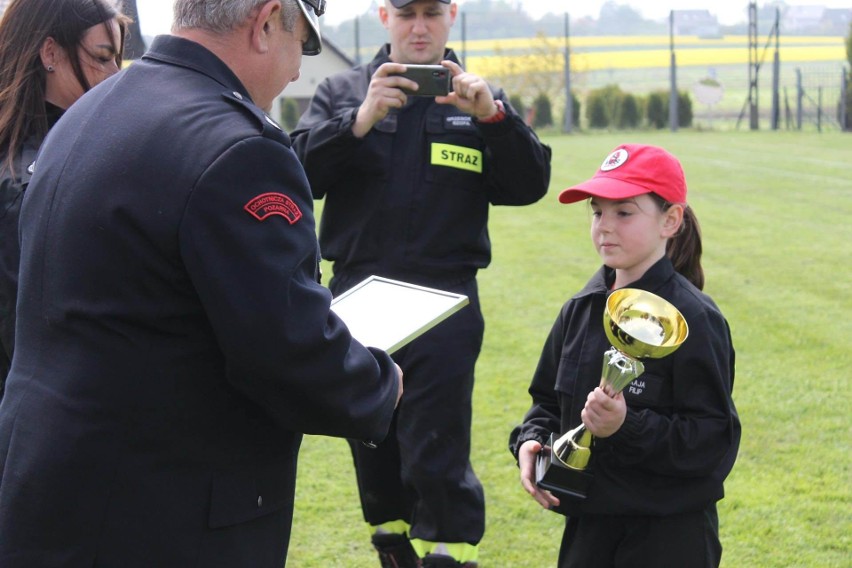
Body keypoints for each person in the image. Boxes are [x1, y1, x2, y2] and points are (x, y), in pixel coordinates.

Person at [0, 1, 404, 566]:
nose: (297, 69)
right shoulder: (239, 147)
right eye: (304, 44)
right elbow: (286, 351)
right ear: (265, 23)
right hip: (162, 514)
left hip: (49, 488)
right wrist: (380, 384)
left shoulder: (92, 110)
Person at [291, 1, 551, 566]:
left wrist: (492, 119)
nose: (419, 26)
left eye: (431, 12)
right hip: (359, 298)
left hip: (445, 300)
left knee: (438, 447)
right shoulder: (344, 91)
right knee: (372, 443)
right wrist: (358, 121)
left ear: (451, 15)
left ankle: (449, 554)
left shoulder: (480, 96)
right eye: (406, 12)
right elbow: (296, 176)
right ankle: (391, 547)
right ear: (384, 16)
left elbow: (530, 183)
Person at [509, 144, 741, 568]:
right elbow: (545, 402)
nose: (605, 227)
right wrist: (532, 441)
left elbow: (712, 442)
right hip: (589, 532)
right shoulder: (581, 309)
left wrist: (626, 426)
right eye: (598, 212)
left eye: (624, 213)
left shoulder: (694, 319)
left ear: (670, 221)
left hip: (667, 536)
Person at [0, 0, 129, 397]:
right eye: (102, 58)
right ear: (51, 53)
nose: (113, 76)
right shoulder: (30, 177)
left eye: (117, 61)